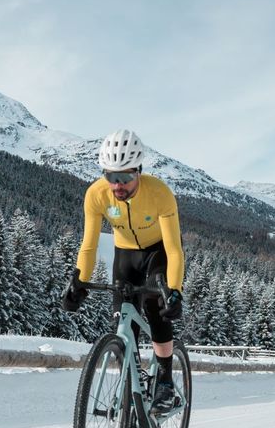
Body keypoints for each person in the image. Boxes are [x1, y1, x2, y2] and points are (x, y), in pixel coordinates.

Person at [62, 129, 185, 413]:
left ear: (139, 171)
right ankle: (134, 377)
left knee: (156, 307)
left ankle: (165, 382)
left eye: (125, 178)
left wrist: (175, 291)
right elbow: (89, 244)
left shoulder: (160, 194)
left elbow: (175, 249)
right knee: (123, 323)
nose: (117, 186)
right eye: (111, 176)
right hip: (125, 254)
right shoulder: (96, 194)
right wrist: (78, 281)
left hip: (157, 253)